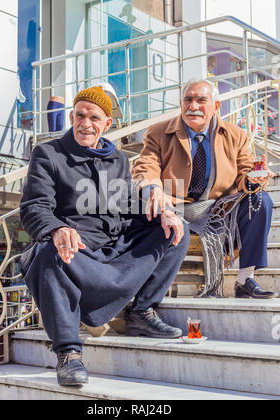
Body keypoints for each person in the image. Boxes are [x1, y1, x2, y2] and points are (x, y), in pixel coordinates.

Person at [19, 86, 190, 387]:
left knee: (176, 228)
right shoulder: (48, 154)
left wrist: (163, 211)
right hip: (75, 248)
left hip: (113, 245)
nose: (86, 123)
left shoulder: (119, 160)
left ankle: (141, 311)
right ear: (71, 116)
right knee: (48, 253)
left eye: (94, 117)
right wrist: (57, 228)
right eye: (80, 116)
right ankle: (69, 353)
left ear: (107, 123)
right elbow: (35, 207)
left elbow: (124, 206)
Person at [132, 78, 278, 299]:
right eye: (188, 100)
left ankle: (244, 279)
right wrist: (154, 188)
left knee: (260, 200)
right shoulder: (158, 133)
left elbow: (243, 174)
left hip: (218, 209)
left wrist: (253, 180)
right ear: (181, 104)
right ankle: (146, 291)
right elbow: (146, 166)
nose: (193, 106)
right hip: (174, 207)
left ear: (216, 106)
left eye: (201, 100)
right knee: (143, 207)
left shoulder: (235, 135)